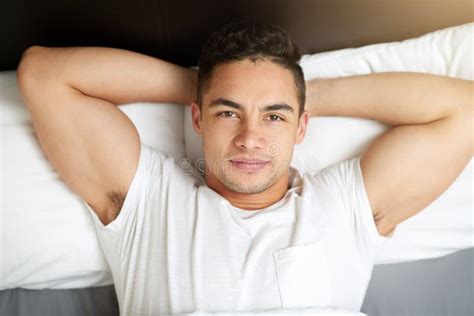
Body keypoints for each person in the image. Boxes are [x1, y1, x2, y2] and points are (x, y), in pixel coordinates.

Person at [16, 21, 472, 315]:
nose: (250, 137)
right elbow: (43, 73)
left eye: (274, 116)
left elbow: (464, 111)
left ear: (301, 127)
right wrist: (206, 85)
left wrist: (299, 95)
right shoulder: (149, 201)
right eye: (227, 113)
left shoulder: (345, 205)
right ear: (197, 118)